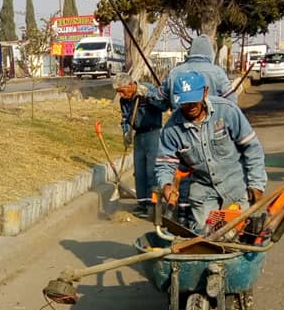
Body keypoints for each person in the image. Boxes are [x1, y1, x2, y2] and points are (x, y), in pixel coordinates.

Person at [155, 71, 267, 233]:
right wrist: (166, 185)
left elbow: (252, 149)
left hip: (237, 185)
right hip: (204, 190)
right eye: (185, 103)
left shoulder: (227, 111)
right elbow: (165, 163)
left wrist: (256, 183)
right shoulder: (172, 128)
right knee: (207, 234)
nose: (191, 107)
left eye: (194, 101)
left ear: (205, 92)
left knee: (237, 233)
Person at [114, 75, 165, 216]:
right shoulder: (123, 100)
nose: (121, 94)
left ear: (131, 85)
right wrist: (126, 132)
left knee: (151, 170)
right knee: (140, 171)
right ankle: (142, 203)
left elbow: (163, 106)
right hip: (139, 135)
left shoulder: (147, 89)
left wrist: (148, 96)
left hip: (153, 133)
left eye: (122, 90)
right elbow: (125, 118)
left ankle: (154, 205)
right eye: (118, 91)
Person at [167, 33, 237, 104]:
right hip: (212, 114)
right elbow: (231, 99)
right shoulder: (217, 72)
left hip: (179, 114)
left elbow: (161, 101)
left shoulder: (174, 72)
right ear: (211, 52)